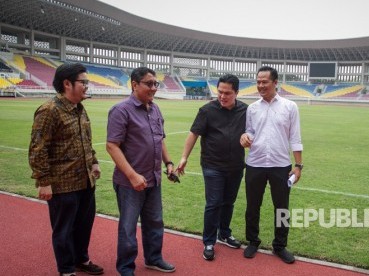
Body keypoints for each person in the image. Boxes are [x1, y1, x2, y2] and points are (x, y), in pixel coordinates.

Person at [28, 63, 104, 276]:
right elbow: (37, 149)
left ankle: (81, 259)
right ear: (67, 83)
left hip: (86, 181)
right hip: (63, 185)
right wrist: (44, 182)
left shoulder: (80, 108)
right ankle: (67, 269)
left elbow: (85, 141)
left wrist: (94, 161)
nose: (87, 86)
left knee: (83, 226)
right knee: (63, 230)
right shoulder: (49, 111)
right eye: (84, 82)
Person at [106, 67, 176, 275]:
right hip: (130, 182)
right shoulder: (121, 110)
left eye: (156, 84)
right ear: (134, 85)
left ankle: (153, 258)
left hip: (153, 179)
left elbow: (159, 138)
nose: (154, 88)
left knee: (155, 221)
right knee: (128, 227)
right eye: (149, 83)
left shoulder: (155, 109)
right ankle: (126, 267)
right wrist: (132, 175)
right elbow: (112, 146)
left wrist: (168, 162)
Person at [177, 74, 248, 261]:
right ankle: (209, 241)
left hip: (236, 166)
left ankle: (224, 233)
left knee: (228, 202)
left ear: (237, 93)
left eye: (228, 93)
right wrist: (184, 157)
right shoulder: (207, 110)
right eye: (220, 92)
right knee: (214, 203)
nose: (223, 96)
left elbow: (254, 132)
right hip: (212, 165)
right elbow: (193, 134)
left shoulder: (246, 110)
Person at [240, 66, 303, 264]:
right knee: (252, 206)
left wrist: (298, 166)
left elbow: (295, 137)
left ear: (275, 83)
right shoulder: (252, 108)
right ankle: (253, 241)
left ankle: (280, 245)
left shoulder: (290, 106)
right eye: (258, 82)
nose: (260, 85)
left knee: (282, 208)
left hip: (280, 165)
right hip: (255, 164)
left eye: (264, 82)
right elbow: (249, 131)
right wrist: (245, 137)